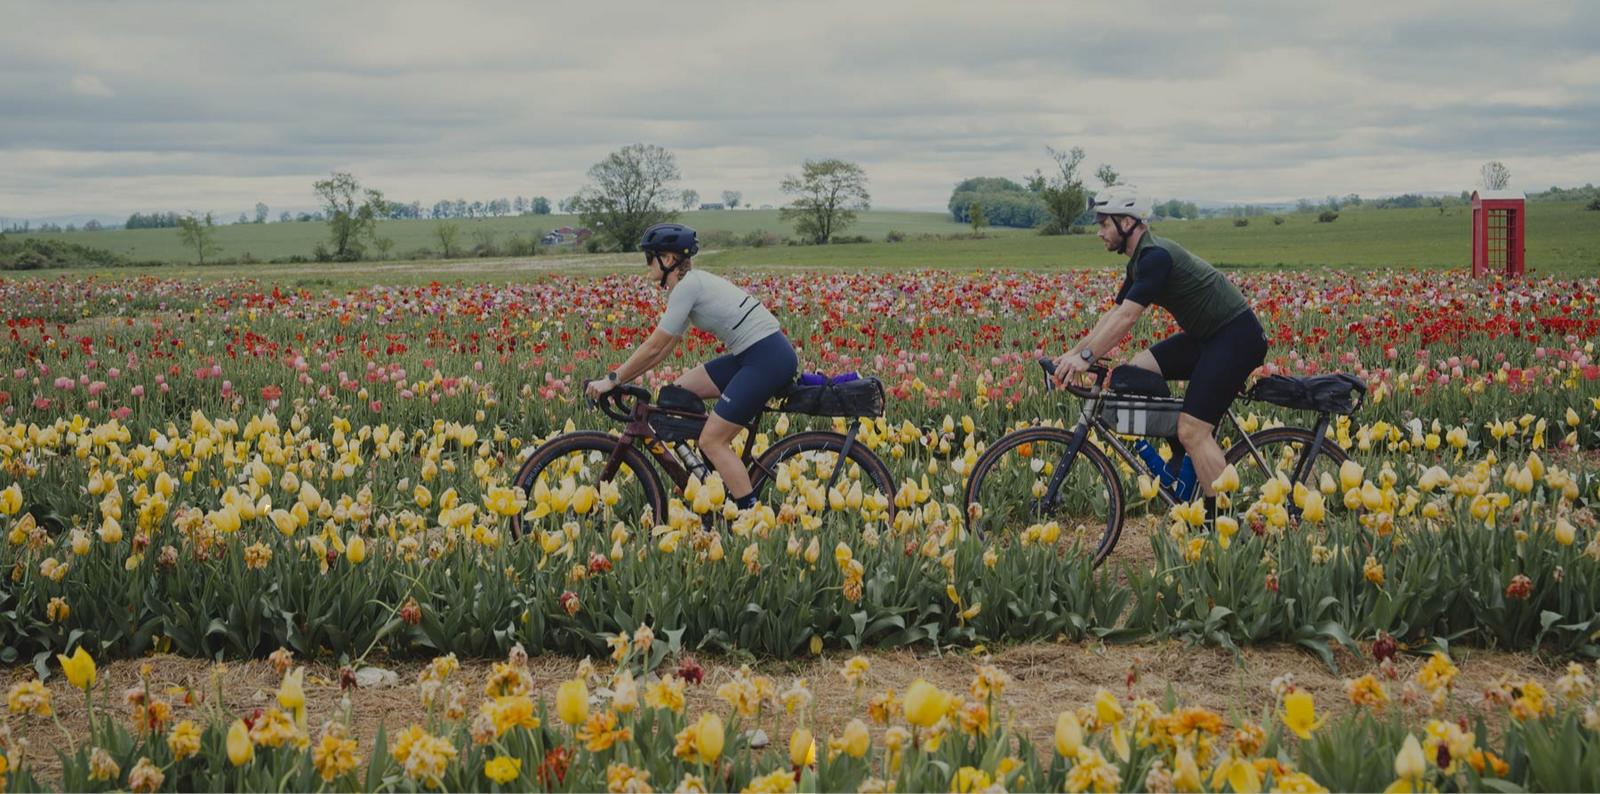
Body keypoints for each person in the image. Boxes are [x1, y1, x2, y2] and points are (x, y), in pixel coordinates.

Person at [1054, 185, 1269, 520]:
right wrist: (1072, 354)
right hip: (1208, 337)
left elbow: (1128, 317)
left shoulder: (1155, 257)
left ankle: (1218, 524)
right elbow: (1112, 314)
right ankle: (1183, 456)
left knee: (1193, 429)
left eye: (1104, 224)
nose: (1098, 232)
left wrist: (1085, 359)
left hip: (1235, 337)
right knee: (1138, 370)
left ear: (1127, 222)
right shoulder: (1140, 260)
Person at [585, 223, 798, 512]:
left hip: (766, 358)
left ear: (668, 260)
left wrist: (612, 379)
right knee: (677, 392)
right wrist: (624, 377)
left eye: (650, 257)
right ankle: (708, 478)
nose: (646, 263)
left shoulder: (688, 287)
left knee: (713, 440)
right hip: (753, 354)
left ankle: (751, 520)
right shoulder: (689, 286)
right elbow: (664, 347)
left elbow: (654, 347)